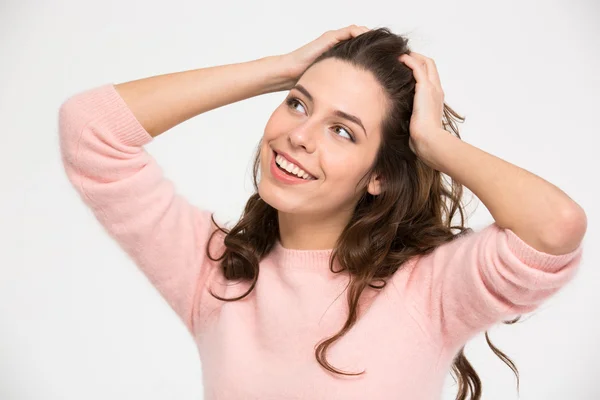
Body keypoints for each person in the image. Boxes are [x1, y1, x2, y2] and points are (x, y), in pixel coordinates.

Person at [58, 25, 586, 400]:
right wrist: (281, 71)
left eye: (342, 130)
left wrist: (431, 142)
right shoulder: (216, 273)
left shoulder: (429, 288)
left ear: (379, 174)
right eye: (297, 103)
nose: (299, 136)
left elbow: (555, 228)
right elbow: (89, 129)